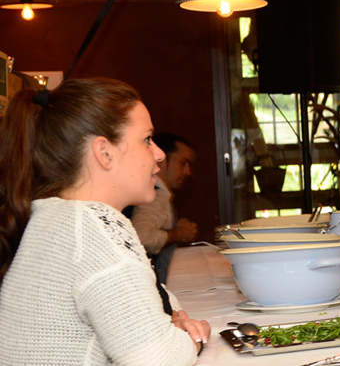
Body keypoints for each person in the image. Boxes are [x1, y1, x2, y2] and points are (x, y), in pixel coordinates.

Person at [0, 79, 210, 364]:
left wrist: (169, 323)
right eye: (147, 140)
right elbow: (158, 359)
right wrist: (193, 339)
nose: (159, 155)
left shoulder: (54, 216)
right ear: (104, 153)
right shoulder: (93, 227)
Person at [131, 133, 199, 284]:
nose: (188, 172)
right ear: (161, 161)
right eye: (183, 163)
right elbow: (142, 237)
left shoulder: (160, 193)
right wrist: (180, 233)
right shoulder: (155, 195)